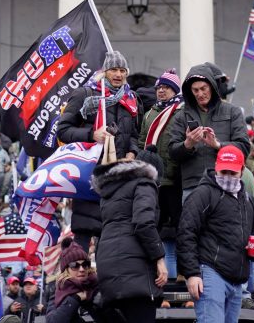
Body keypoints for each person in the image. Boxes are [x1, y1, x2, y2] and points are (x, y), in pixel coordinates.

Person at [56, 51, 142, 250]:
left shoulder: (131, 99)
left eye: (122, 70)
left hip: (118, 178)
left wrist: (132, 152)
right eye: (114, 70)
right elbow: (63, 131)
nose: (118, 74)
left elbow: (136, 134)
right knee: (81, 247)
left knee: (112, 242)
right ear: (105, 72)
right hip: (89, 176)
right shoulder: (85, 94)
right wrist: (92, 134)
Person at [176, 146, 254, 323]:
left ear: (242, 170)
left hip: (237, 280)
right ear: (216, 166)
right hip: (210, 273)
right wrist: (192, 273)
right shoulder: (203, 193)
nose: (228, 176)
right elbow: (186, 233)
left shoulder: (248, 199)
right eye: (224, 171)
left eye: (232, 172)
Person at [92, 159, 167, 322]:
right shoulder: (145, 184)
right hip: (135, 270)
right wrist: (160, 259)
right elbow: (143, 223)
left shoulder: (108, 192)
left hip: (108, 266)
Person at [168, 65, 250, 202]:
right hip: (193, 185)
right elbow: (172, 153)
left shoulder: (232, 111)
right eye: (195, 90)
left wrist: (218, 145)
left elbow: (244, 147)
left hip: (226, 183)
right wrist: (188, 144)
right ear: (190, 91)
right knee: (192, 224)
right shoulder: (181, 117)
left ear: (212, 86)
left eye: (203, 88)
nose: (200, 94)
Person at [137, 69, 184, 279]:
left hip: (174, 179)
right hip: (153, 180)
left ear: (174, 90)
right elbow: (141, 141)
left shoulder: (182, 112)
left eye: (165, 87)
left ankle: (182, 272)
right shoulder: (150, 113)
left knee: (180, 227)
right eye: (159, 87)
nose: (161, 91)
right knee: (154, 226)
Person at [45, 240, 100, 323]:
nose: (81, 269)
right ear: (66, 270)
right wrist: (75, 298)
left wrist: (90, 302)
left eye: (85, 264)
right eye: (75, 265)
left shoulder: (98, 286)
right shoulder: (59, 289)